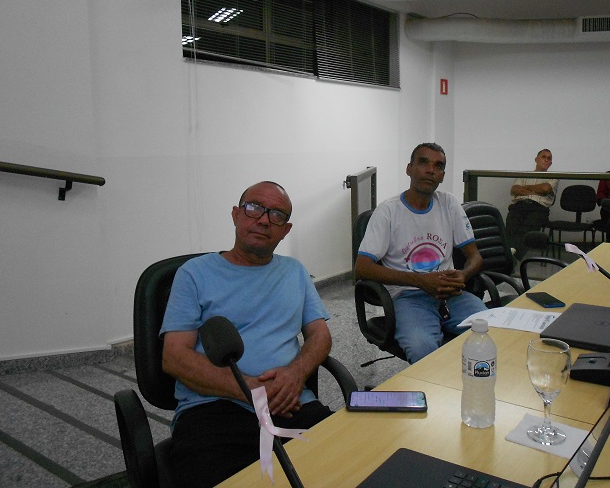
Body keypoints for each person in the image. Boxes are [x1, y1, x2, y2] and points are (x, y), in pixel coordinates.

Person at [160, 181, 333, 488]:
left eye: (276, 215)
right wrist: (251, 390)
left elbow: (320, 335)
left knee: (349, 465)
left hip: (289, 404)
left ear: (285, 230)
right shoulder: (194, 273)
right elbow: (174, 357)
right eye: (254, 208)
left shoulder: (294, 271)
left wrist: (296, 374)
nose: (264, 220)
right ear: (236, 215)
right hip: (215, 410)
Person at [354, 143, 486, 364]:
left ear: (442, 175)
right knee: (423, 350)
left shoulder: (449, 203)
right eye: (423, 162)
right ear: (409, 168)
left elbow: (475, 257)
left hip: (451, 294)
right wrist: (420, 281)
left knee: (493, 332)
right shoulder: (388, 211)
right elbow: (362, 267)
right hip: (409, 297)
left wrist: (463, 275)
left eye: (438, 166)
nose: (431, 170)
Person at [504, 149, 558, 260]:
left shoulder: (554, 177)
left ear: (551, 163)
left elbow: (545, 188)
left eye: (549, 158)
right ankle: (509, 254)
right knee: (511, 228)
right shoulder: (525, 175)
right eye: (543, 157)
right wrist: (536, 190)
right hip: (519, 205)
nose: (546, 160)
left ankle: (513, 257)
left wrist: (526, 188)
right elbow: (515, 189)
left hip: (538, 208)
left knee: (526, 230)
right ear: (536, 159)